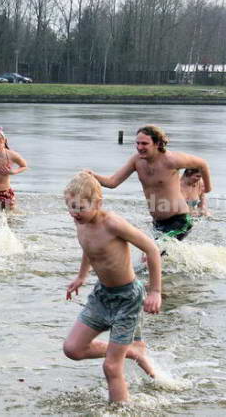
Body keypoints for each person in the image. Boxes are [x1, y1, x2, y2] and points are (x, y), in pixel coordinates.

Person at [63, 171, 162, 403]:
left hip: (128, 298)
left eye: (81, 208)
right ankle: (132, 351)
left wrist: (155, 291)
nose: (75, 213)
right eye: (71, 207)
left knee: (111, 366)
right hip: (101, 295)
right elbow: (89, 248)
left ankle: (120, 411)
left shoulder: (112, 223)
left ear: (98, 203)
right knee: (73, 349)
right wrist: (81, 276)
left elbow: (152, 249)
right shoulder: (80, 222)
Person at [89, 125, 212, 241]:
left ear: (157, 144)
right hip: (158, 223)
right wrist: (92, 176)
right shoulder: (136, 161)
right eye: (137, 143)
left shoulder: (172, 160)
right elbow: (112, 182)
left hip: (180, 220)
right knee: (156, 254)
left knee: (154, 252)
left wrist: (207, 188)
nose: (139, 147)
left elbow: (202, 164)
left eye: (144, 143)